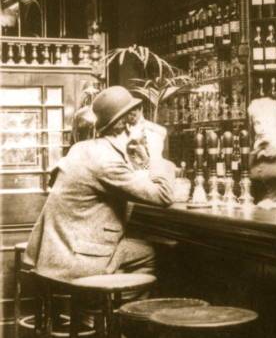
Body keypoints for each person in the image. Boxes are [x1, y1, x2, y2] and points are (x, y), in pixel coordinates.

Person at [26, 86, 176, 279]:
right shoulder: (106, 161)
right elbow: (163, 196)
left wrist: (141, 157)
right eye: (142, 123)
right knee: (148, 253)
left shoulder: (82, 148)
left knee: (134, 249)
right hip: (76, 260)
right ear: (130, 126)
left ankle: (104, 301)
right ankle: (104, 308)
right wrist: (156, 152)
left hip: (54, 253)